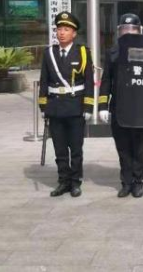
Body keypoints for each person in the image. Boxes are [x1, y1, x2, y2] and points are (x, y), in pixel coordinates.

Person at [38, 11, 94, 198]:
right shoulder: (49, 53)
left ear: (74, 33)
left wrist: (88, 107)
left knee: (76, 149)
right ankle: (63, 181)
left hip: (75, 106)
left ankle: (76, 181)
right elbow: (44, 81)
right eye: (59, 29)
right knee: (60, 148)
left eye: (66, 29)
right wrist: (43, 106)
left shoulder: (83, 53)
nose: (61, 33)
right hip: (55, 107)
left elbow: (89, 81)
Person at [98, 13, 143, 198]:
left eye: (132, 29)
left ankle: (138, 182)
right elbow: (106, 80)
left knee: (139, 146)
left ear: (139, 31)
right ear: (120, 31)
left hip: (139, 107)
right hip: (118, 106)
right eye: (125, 29)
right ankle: (126, 182)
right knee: (123, 147)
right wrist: (103, 106)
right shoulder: (113, 52)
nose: (128, 32)